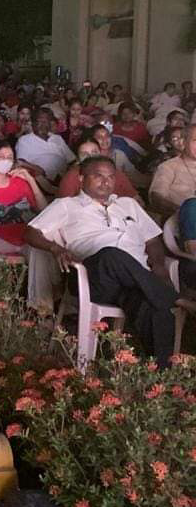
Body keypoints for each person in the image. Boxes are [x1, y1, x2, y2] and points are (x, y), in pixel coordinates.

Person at [24, 156, 177, 368]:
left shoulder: (128, 204)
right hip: (93, 278)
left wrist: (159, 266)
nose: (106, 182)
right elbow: (31, 232)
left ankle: (164, 375)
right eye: (98, 176)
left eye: (111, 177)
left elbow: (152, 240)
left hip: (135, 282)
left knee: (154, 308)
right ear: (81, 178)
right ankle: (172, 297)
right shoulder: (67, 205)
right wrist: (55, 248)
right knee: (111, 254)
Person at [57, 140, 139, 200]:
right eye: (84, 154)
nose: (90, 157)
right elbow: (62, 208)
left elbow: (136, 200)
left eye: (94, 152)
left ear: (100, 153)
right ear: (78, 158)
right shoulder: (71, 177)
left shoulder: (116, 173)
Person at [15, 108, 75, 183]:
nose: (43, 125)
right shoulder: (24, 140)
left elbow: (72, 161)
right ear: (33, 123)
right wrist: (39, 170)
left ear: (50, 124)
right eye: (39, 121)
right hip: (40, 180)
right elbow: (21, 162)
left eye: (46, 121)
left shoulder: (57, 138)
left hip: (64, 178)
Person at [150, 125, 196, 219]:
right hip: (182, 219)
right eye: (195, 140)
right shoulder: (168, 167)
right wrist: (184, 212)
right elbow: (156, 197)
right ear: (184, 142)